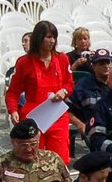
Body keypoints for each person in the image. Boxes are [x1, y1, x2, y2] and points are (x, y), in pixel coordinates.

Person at [5, 20, 74, 163]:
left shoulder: (62, 59)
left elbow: (70, 83)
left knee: (60, 159)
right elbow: (13, 91)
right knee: (34, 157)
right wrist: (13, 110)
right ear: (38, 38)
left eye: (54, 37)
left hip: (57, 113)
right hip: (34, 114)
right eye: (48, 37)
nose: (52, 41)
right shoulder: (24, 62)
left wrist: (64, 91)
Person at [69, 49, 112, 149]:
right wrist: (79, 124)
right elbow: (66, 111)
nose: (106, 66)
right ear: (93, 66)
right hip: (94, 131)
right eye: (101, 63)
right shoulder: (82, 86)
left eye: (108, 62)